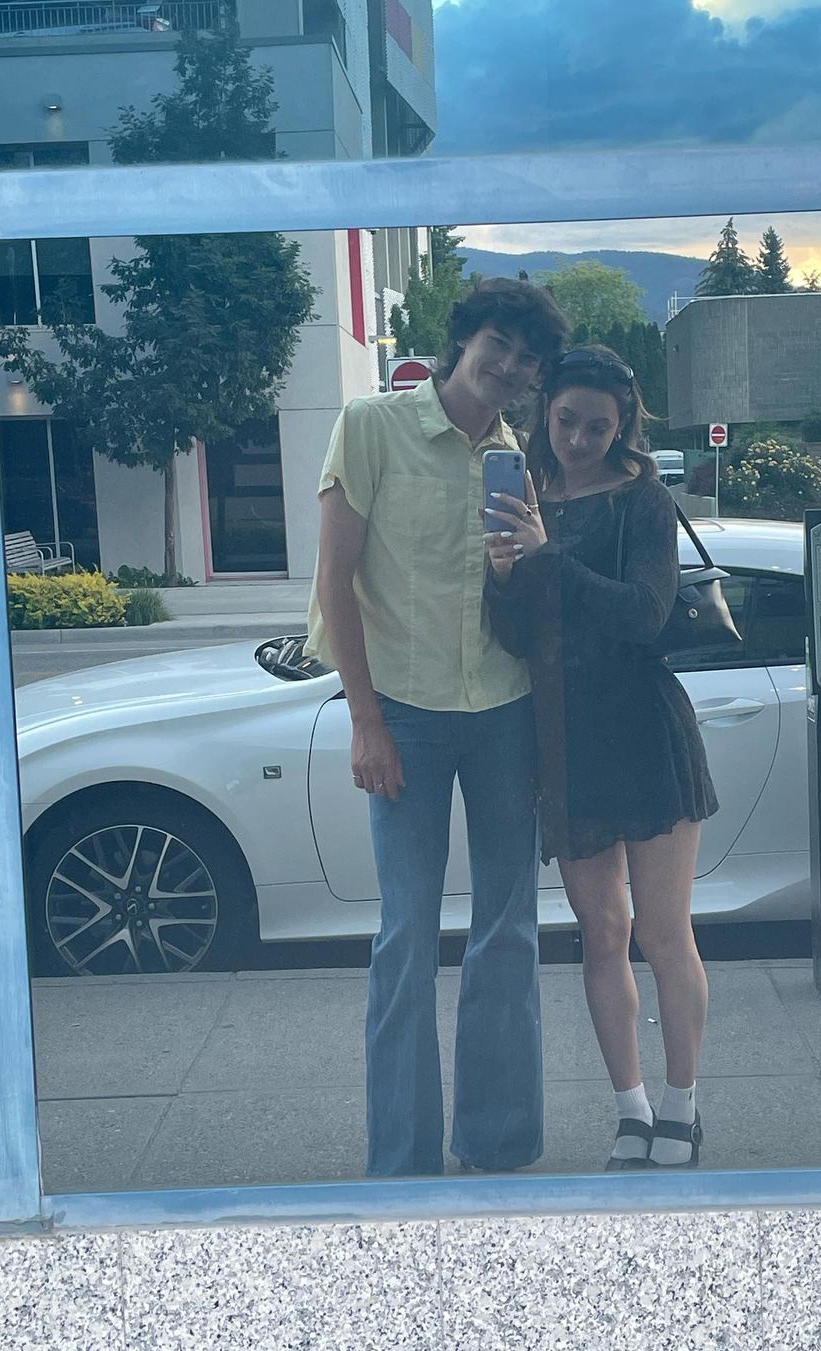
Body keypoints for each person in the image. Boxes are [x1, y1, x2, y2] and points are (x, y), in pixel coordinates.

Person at [306, 278, 569, 1177]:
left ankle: (498, 1141)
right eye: (500, 345)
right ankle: (403, 1159)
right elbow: (335, 581)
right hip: (407, 716)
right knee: (407, 932)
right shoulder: (371, 426)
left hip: (503, 713)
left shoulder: (513, 458)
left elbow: (518, 606)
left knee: (510, 929)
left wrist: (523, 559)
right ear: (464, 340)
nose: (511, 367)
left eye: (529, 360)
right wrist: (366, 721)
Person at [483, 346, 718, 1170]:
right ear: (545, 410)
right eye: (567, 421)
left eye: (599, 426)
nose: (580, 439)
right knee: (603, 933)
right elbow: (517, 638)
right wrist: (504, 575)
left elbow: (645, 615)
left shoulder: (643, 497)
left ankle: (682, 1105)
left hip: (645, 730)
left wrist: (549, 557)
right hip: (566, 739)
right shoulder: (528, 496)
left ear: (623, 427)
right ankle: (631, 1108)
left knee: (663, 931)